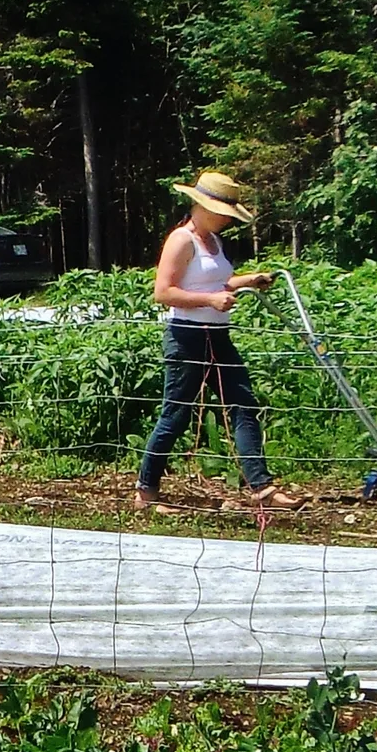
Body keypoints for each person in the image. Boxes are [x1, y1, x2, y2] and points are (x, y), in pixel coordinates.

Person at [133, 170, 286, 508]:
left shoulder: (214, 242)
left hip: (218, 335)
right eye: (224, 214)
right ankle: (146, 489)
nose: (227, 221)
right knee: (176, 414)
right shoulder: (181, 240)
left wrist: (248, 280)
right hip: (187, 337)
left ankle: (261, 486)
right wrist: (211, 301)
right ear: (204, 207)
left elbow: (220, 283)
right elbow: (164, 292)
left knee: (243, 403)